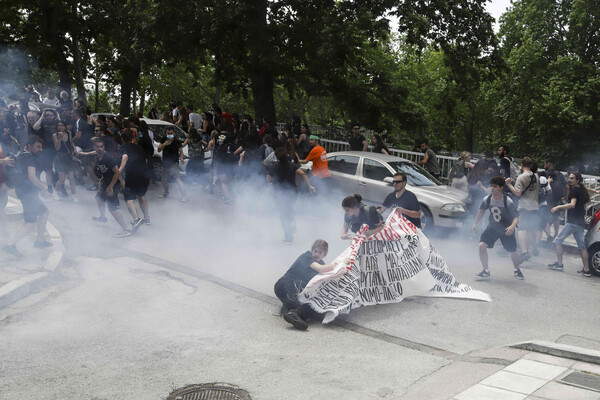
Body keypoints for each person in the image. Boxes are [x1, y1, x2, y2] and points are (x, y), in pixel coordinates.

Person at [274, 240, 349, 330]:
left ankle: (293, 310)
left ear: (324, 254)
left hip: (295, 290)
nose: (316, 254)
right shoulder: (307, 256)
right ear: (312, 250)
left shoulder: (322, 264)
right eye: (315, 251)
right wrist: (341, 264)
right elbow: (320, 269)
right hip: (285, 286)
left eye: (320, 252)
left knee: (316, 298)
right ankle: (294, 311)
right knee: (312, 296)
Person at [2, 135, 52, 257]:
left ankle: (40, 240)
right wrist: (45, 189)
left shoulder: (22, 155)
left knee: (44, 212)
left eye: (41, 147)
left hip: (25, 192)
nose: (40, 149)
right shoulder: (30, 158)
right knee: (30, 223)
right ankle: (10, 244)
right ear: (29, 146)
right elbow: (32, 177)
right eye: (37, 147)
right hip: (28, 194)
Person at [472, 176, 524, 280]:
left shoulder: (507, 201)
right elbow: (481, 210)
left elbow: (516, 218)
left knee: (512, 251)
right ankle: (485, 271)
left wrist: (512, 226)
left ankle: (517, 269)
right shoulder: (487, 199)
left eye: (495, 186)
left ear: (501, 188)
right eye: (491, 186)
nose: (492, 188)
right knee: (481, 246)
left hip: (506, 229)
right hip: (493, 227)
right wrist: (475, 223)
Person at [267, 147, 316, 244]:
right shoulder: (292, 166)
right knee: (288, 208)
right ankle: (292, 222)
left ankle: (288, 237)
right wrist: (310, 186)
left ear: (277, 157)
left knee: (283, 214)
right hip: (292, 193)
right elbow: (303, 174)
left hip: (279, 194)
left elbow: (268, 179)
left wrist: (270, 185)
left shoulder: (273, 166)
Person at [548, 172, 591, 276]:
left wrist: (557, 207)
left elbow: (572, 205)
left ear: (577, 180)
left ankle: (559, 264)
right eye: (569, 178)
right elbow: (584, 206)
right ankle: (586, 269)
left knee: (558, 240)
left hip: (573, 222)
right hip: (580, 222)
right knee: (582, 246)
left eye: (572, 178)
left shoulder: (575, 191)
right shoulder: (581, 189)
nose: (570, 180)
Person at [91, 140, 132, 237]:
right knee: (98, 198)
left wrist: (110, 187)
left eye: (101, 146)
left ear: (104, 147)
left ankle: (126, 229)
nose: (99, 148)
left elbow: (117, 172)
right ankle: (102, 216)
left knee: (112, 208)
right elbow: (106, 172)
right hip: (106, 182)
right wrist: (102, 180)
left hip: (113, 184)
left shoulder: (108, 158)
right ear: (94, 147)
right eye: (97, 147)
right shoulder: (98, 156)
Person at [505, 157, 540, 264]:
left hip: (524, 207)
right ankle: (527, 250)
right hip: (534, 206)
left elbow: (518, 193)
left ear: (522, 165)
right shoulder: (536, 176)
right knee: (529, 230)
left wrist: (509, 184)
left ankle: (524, 252)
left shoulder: (521, 177)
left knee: (520, 229)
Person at [119, 129, 150, 230]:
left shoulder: (124, 147)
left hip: (132, 175)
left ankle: (136, 220)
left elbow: (125, 157)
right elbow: (145, 160)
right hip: (144, 174)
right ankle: (147, 218)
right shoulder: (138, 147)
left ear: (122, 139)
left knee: (129, 199)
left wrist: (119, 170)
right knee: (141, 195)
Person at [32, 108, 59, 193]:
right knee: (48, 169)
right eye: (47, 115)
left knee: (59, 169)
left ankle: (59, 187)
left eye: (50, 115)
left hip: (57, 148)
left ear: (54, 115)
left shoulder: (57, 123)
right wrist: (42, 117)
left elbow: (63, 126)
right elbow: (35, 127)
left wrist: (57, 115)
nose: (49, 117)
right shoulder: (43, 122)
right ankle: (49, 188)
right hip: (46, 148)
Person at [158, 126, 187, 202]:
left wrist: (181, 158)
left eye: (171, 133)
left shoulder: (177, 141)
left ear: (174, 133)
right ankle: (166, 192)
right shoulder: (164, 139)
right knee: (163, 179)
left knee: (177, 179)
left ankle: (184, 196)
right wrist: (165, 144)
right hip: (165, 162)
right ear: (166, 133)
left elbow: (181, 151)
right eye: (168, 133)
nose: (169, 134)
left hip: (174, 163)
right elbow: (158, 149)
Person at [52, 120, 78, 202]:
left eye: (62, 125)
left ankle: (74, 196)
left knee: (71, 178)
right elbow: (57, 148)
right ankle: (56, 192)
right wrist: (59, 139)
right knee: (62, 179)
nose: (60, 127)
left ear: (65, 126)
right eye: (58, 125)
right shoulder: (55, 135)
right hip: (60, 157)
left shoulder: (69, 133)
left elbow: (71, 143)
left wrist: (75, 149)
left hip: (69, 157)